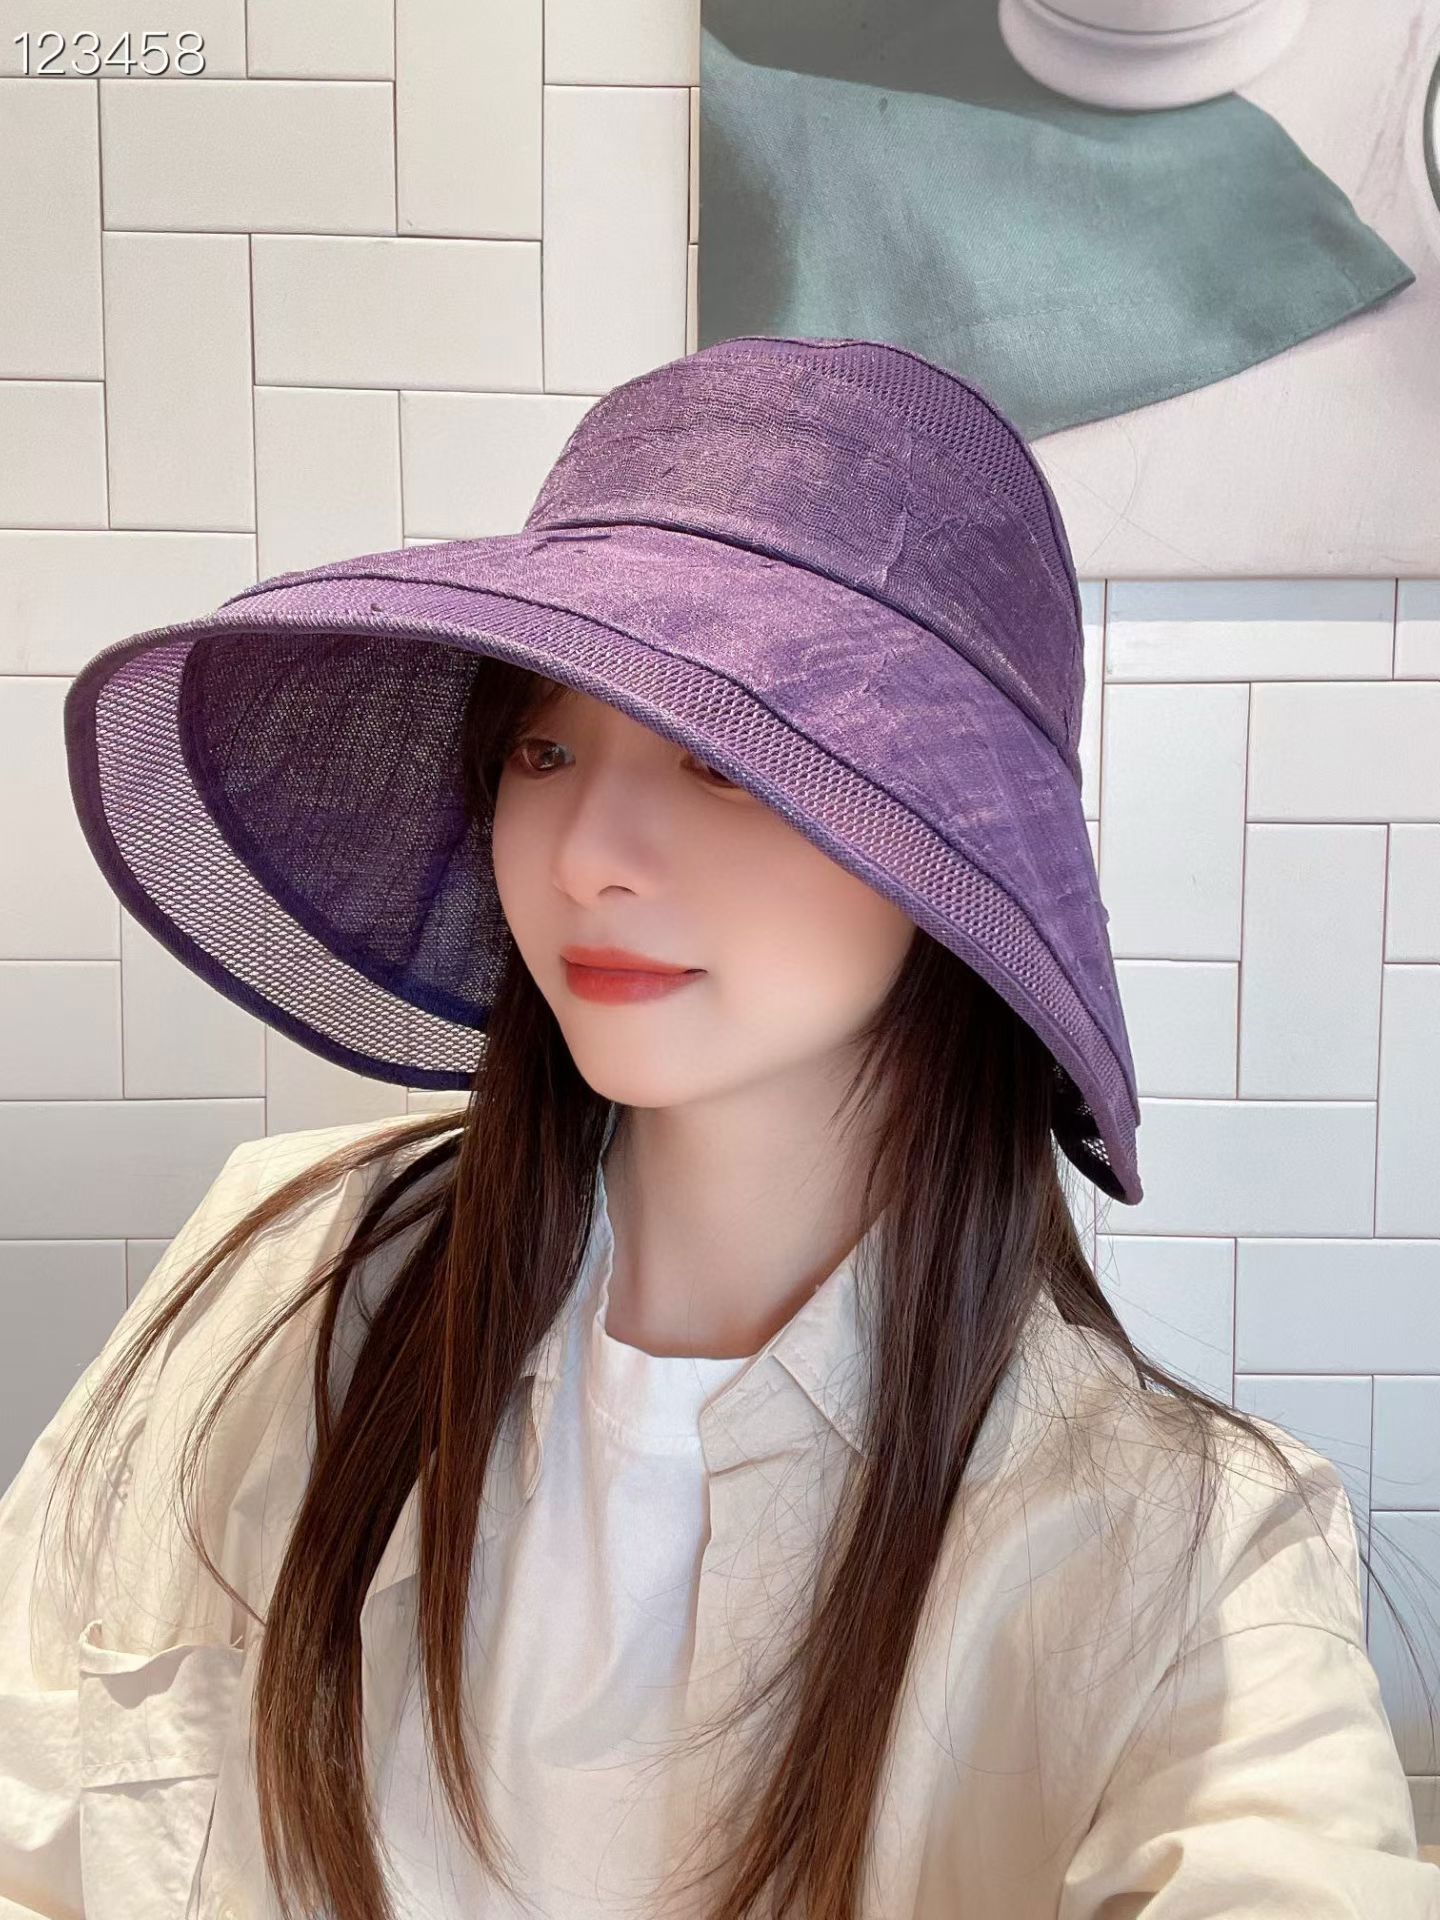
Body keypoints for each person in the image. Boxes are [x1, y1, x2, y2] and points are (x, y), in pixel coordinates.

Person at [2, 335, 1435, 1920]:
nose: (588, 853)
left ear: (947, 855)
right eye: (543, 748)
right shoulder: (287, 1273)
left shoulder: (1184, 1550)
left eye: (724, 758)